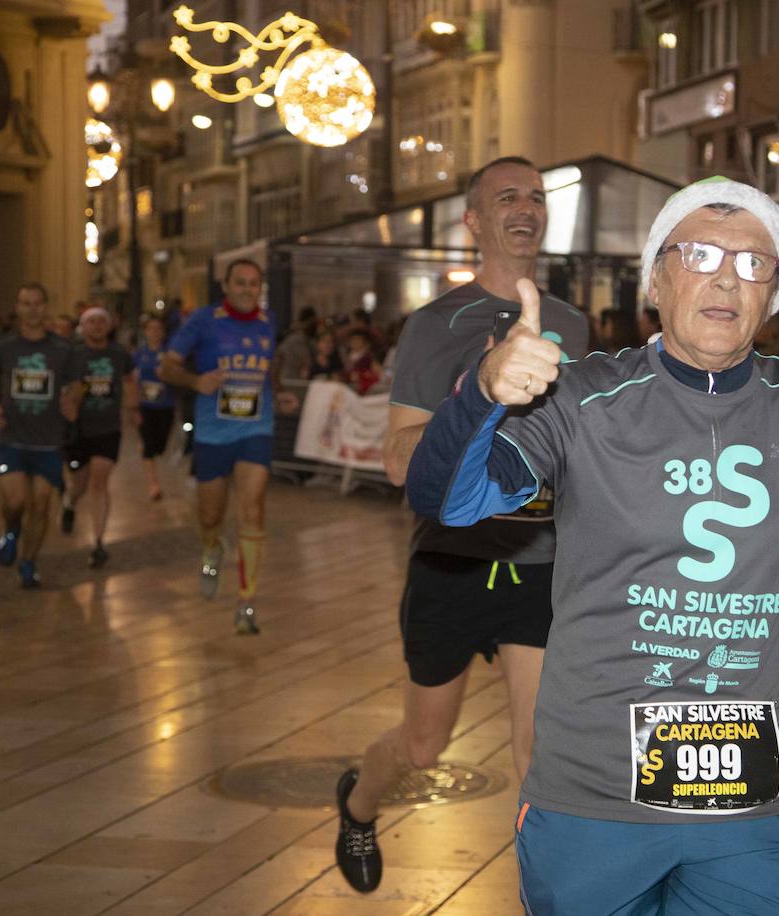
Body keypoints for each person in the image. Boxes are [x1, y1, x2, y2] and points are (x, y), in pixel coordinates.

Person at [402, 177, 779, 914]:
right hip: (593, 796)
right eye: (698, 254)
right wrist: (483, 395)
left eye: (754, 263)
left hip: (751, 807)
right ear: (656, 281)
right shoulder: (582, 397)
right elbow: (446, 500)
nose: (727, 276)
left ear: (774, 293)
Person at [334, 156, 590, 894]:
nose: (527, 206)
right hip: (450, 562)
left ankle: (553, 898)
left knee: (541, 753)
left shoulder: (572, 323)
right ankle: (357, 801)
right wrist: (477, 398)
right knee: (422, 746)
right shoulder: (434, 325)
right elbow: (394, 462)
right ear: (474, 221)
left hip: (538, 563)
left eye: (537, 196)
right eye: (507, 196)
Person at [159, 259, 297, 635]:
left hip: (256, 428)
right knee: (210, 515)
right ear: (226, 285)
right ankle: (211, 548)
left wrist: (279, 392)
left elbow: (269, 367)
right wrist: (194, 380)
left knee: (252, 509)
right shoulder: (203, 320)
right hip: (212, 433)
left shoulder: (267, 321)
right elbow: (166, 367)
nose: (247, 290)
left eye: (254, 284)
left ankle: (246, 601)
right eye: (241, 283)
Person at [0, 283, 77, 588]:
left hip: (48, 441)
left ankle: (28, 562)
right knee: (15, 501)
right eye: (26, 303)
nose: (32, 309)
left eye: (37, 303)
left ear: (45, 307)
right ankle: (10, 529)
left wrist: (71, 399)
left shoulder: (62, 349)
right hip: (13, 438)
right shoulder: (4, 345)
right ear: (18, 308)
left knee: (41, 504)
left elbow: (76, 382)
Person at [59, 308, 138, 567]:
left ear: (109, 325)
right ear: (83, 327)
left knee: (99, 480)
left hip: (108, 427)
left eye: (101, 321)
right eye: (91, 322)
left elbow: (128, 380)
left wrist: (133, 409)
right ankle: (69, 503)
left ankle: (99, 543)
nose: (96, 326)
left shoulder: (119, 354)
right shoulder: (73, 354)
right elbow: (64, 390)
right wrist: (70, 402)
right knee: (79, 483)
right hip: (80, 428)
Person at [134, 315, 175, 501]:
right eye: (151, 328)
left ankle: (147, 445)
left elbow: (179, 376)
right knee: (149, 446)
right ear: (145, 331)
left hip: (166, 404)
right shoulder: (139, 354)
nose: (154, 332)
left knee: (160, 446)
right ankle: (154, 484)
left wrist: (168, 375)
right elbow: (131, 379)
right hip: (145, 405)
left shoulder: (170, 354)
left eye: (158, 328)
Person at [275, 305, 319, 384]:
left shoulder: (305, 338)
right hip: (290, 381)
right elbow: (307, 362)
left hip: (293, 381)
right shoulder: (297, 338)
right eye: (313, 321)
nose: (315, 325)